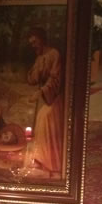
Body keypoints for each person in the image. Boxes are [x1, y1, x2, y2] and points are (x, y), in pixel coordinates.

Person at [26, 27, 63, 175]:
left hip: (54, 97)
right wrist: (37, 66)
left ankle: (51, 162)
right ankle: (41, 159)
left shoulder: (54, 54)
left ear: (42, 39)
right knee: (39, 123)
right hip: (44, 97)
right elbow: (33, 80)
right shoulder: (39, 57)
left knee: (45, 119)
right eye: (31, 43)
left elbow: (55, 79)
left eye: (35, 42)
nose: (33, 45)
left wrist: (41, 92)